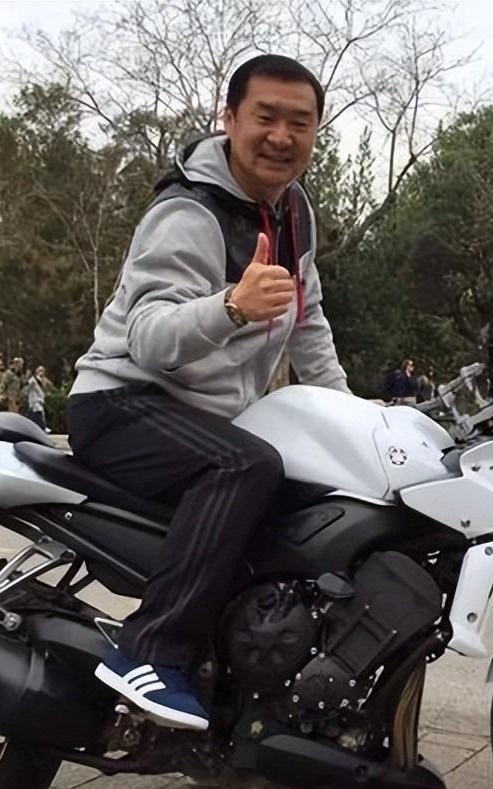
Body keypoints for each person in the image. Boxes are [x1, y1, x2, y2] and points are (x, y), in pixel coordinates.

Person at [68, 54, 349, 730]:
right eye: (265, 117)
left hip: (203, 420)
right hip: (121, 404)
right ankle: (149, 652)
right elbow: (147, 339)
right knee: (245, 465)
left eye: (299, 122)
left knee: (322, 495)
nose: (281, 136)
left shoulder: (292, 211)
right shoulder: (189, 211)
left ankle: (238, 687)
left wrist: (355, 422)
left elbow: (306, 321)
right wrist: (230, 308)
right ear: (229, 118)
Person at [24, 365, 51, 432]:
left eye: (42, 371)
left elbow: (47, 388)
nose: (41, 372)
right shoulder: (33, 379)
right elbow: (27, 388)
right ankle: (43, 427)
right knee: (38, 414)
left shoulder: (44, 380)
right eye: (39, 370)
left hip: (40, 400)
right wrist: (31, 386)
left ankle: (38, 428)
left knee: (35, 415)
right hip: (35, 400)